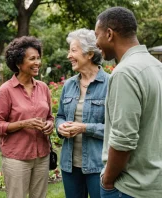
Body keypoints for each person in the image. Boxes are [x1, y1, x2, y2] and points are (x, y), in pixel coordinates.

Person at [95, 7, 162, 198]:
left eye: (96, 35)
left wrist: (107, 181)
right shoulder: (156, 66)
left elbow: (123, 140)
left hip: (129, 187)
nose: (96, 43)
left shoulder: (125, 72)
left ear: (109, 34)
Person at [0, 36, 54, 198]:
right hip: (17, 158)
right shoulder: (6, 90)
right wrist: (23, 123)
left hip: (42, 155)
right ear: (19, 63)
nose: (37, 62)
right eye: (32, 59)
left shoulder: (43, 88)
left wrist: (49, 125)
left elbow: (49, 117)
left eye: (38, 58)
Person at [55, 28, 109, 198]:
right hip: (70, 165)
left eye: (73, 50)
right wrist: (60, 127)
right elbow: (60, 116)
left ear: (89, 54)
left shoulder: (111, 83)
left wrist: (85, 128)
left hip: (98, 165)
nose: (68, 56)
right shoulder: (69, 85)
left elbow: (116, 128)